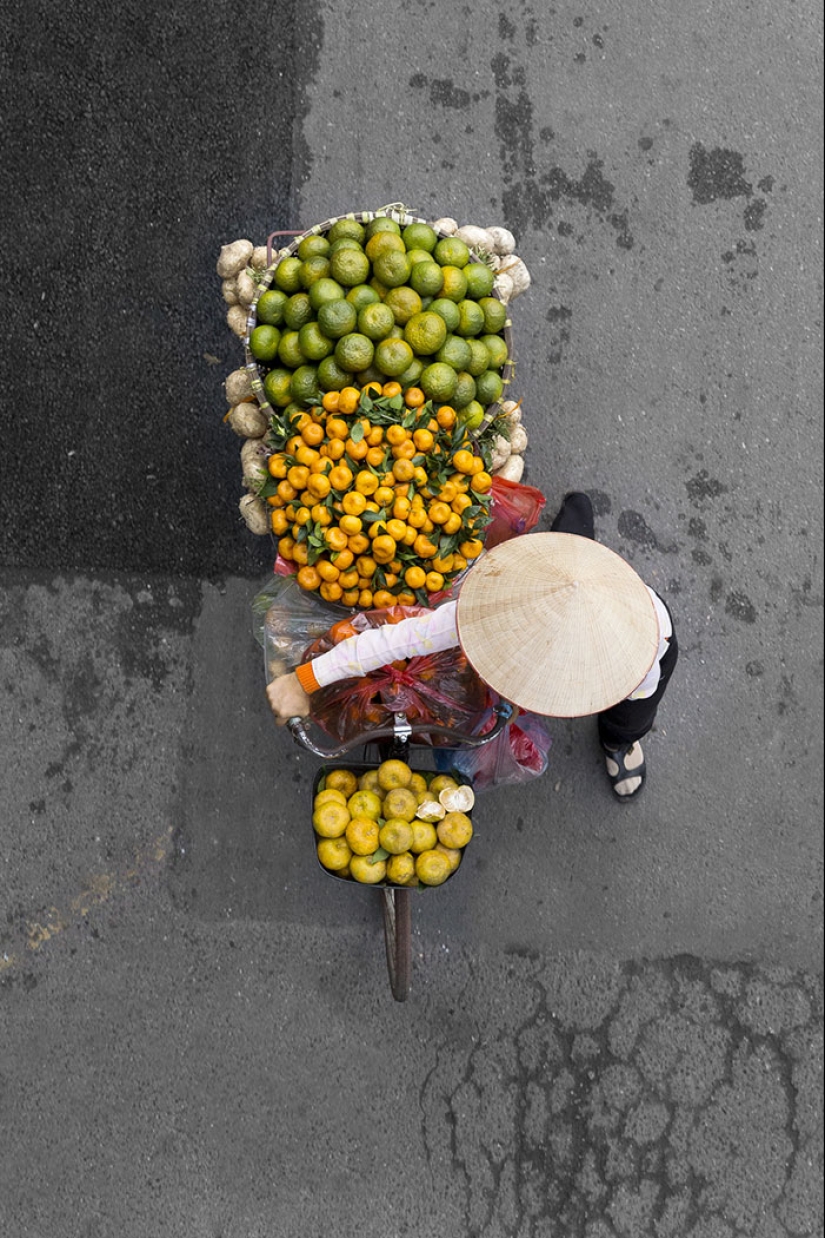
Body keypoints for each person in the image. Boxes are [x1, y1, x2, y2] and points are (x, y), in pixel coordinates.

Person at [266, 493, 678, 801]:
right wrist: (306, 679)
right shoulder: (489, 608)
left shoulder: (638, 655)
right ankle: (574, 528)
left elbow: (636, 689)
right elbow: (394, 640)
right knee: (565, 563)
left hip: (633, 627)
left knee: (630, 717)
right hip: (563, 574)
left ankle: (619, 744)